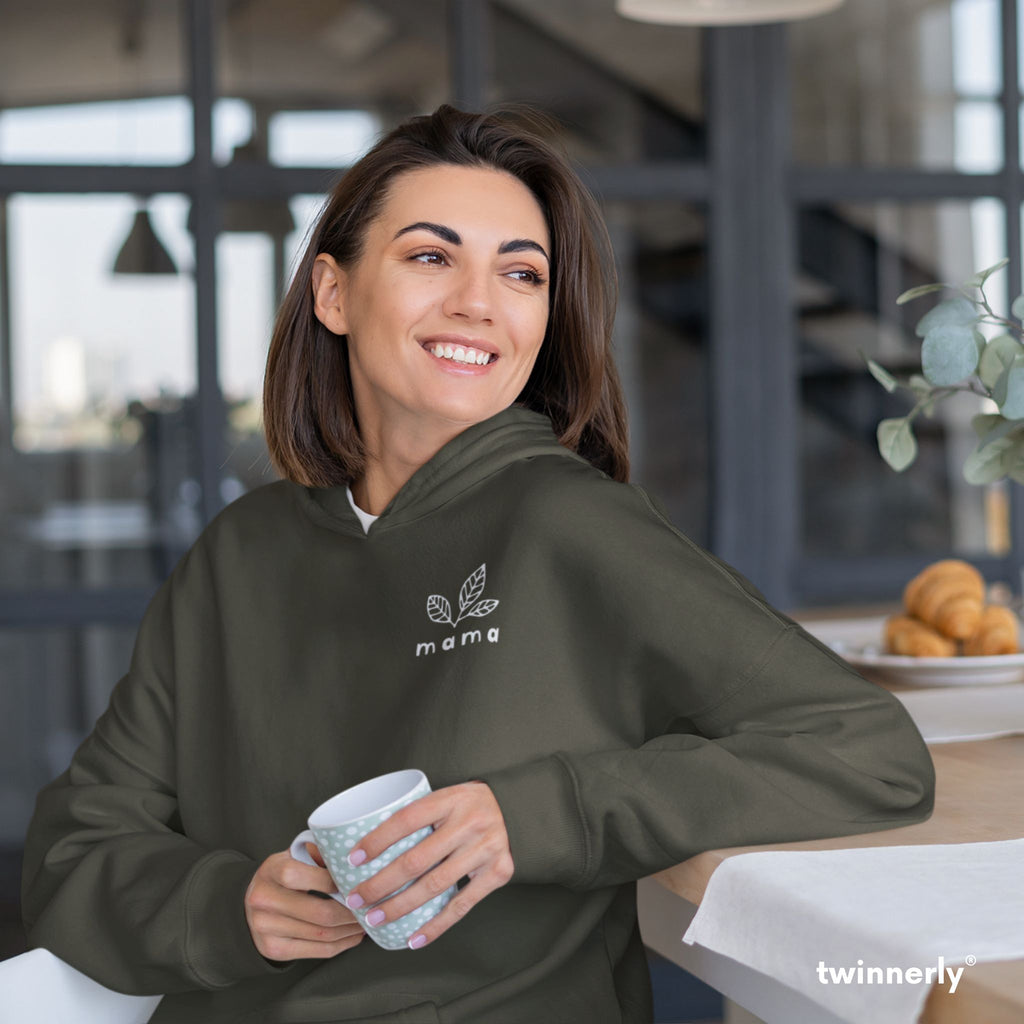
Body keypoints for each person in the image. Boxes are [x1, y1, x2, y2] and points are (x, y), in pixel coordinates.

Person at [20, 104, 935, 1024]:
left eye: (521, 272)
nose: (477, 301)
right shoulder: (238, 553)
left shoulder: (572, 523)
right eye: (430, 257)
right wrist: (230, 907)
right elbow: (75, 849)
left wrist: (536, 817)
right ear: (332, 295)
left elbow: (865, 752)